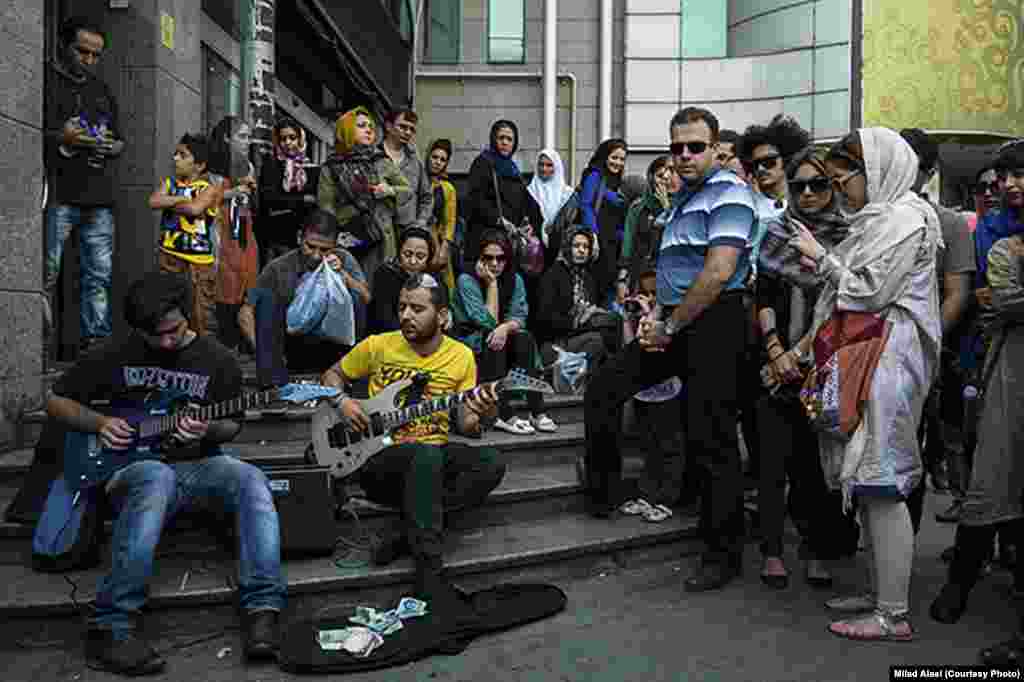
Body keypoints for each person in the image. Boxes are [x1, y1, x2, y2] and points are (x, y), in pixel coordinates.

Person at [45, 272, 285, 675]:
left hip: (199, 464)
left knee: (250, 479)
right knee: (157, 476)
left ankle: (263, 608)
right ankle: (111, 625)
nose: (167, 342)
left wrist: (208, 428)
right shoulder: (115, 351)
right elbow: (54, 401)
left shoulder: (218, 359)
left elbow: (233, 425)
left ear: (187, 315)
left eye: (173, 330)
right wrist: (99, 423)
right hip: (129, 468)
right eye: (155, 336)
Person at [583, 107, 756, 593]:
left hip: (717, 320)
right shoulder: (682, 200)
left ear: (714, 147)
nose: (684, 155)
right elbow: (676, 273)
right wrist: (656, 317)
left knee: (712, 436)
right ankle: (603, 495)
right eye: (676, 147)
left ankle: (722, 555)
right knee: (604, 387)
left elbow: (719, 271)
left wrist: (671, 325)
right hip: (676, 320)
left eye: (695, 146)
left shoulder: (730, 192)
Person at [787, 128, 942, 641]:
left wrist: (822, 256)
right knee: (868, 483)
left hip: (889, 363)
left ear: (875, 173)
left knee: (882, 482)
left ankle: (891, 615)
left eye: (842, 179)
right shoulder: (878, 220)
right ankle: (881, 594)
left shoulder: (903, 220)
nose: (840, 191)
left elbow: (870, 291)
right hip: (868, 359)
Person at [321, 273, 505, 619]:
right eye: (402, 307)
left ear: (443, 316)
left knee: (491, 462)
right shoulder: (378, 345)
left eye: (417, 308)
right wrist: (342, 402)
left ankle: (407, 534)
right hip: (379, 456)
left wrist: (487, 407)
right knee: (425, 455)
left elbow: (467, 425)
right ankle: (429, 574)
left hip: (430, 458)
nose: (406, 315)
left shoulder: (462, 356)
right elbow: (332, 375)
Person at [929, 143, 1024, 633]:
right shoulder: (993, 237)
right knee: (989, 471)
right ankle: (961, 580)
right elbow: (996, 297)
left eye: (1016, 176)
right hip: (996, 363)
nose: (1007, 187)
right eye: (1001, 178)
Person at [753, 147, 856, 590]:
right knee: (772, 461)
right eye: (800, 186)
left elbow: (848, 303)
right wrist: (777, 352)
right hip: (774, 364)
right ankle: (772, 551)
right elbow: (762, 297)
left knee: (816, 467)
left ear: (832, 187)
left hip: (826, 363)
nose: (809, 193)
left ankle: (816, 550)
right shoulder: (777, 234)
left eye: (819, 184)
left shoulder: (848, 238)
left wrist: (803, 354)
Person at [899, 128, 977, 526]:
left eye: (908, 164)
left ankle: (902, 546)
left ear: (927, 173)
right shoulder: (865, 219)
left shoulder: (948, 224)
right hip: (866, 353)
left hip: (921, 359)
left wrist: (918, 343)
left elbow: (957, 294)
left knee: (910, 449)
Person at [45, 16, 126, 356]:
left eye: (96, 55)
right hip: (58, 193)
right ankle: (37, 347)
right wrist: (62, 138)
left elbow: (121, 140)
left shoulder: (101, 89)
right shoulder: (45, 80)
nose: (90, 61)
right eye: (83, 52)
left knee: (99, 277)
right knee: (46, 273)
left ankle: (96, 347)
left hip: (99, 196)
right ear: (64, 46)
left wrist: (111, 146)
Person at [239, 209, 370, 375]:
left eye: (324, 250)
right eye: (310, 247)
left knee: (355, 298)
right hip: (293, 345)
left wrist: (344, 275)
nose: (316, 256)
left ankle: (352, 370)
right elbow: (245, 313)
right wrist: (265, 353)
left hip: (337, 346)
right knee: (268, 301)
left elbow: (366, 298)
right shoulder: (279, 267)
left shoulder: (343, 258)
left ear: (335, 245)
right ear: (299, 238)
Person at [451, 229, 556, 436]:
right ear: (479, 258)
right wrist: (491, 284)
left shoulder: (514, 278)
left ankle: (537, 411)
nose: (494, 264)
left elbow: (519, 316)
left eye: (501, 259)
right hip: (472, 347)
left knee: (523, 338)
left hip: (499, 344)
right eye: (488, 258)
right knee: (493, 339)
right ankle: (503, 413)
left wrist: (505, 327)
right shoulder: (466, 280)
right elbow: (485, 321)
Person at [319, 107, 410, 287]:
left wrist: (389, 190)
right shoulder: (331, 167)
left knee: (381, 288)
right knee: (351, 287)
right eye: (361, 126)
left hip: (381, 238)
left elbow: (407, 190)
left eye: (370, 126)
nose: (369, 129)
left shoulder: (380, 160)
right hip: (348, 236)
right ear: (346, 129)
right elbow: (325, 207)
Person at [149, 134, 224, 337]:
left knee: (201, 312)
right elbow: (154, 201)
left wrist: (171, 201)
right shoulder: (170, 182)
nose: (175, 158)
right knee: (168, 307)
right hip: (169, 255)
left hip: (199, 261)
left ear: (199, 165)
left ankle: (206, 354)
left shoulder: (209, 188)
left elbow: (194, 208)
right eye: (175, 154)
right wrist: (182, 200)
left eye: (182, 155)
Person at [536, 226, 622, 370]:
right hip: (556, 343)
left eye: (586, 247)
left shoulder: (588, 278)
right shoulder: (553, 276)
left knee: (615, 321)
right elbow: (544, 320)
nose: (582, 250)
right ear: (566, 247)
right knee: (596, 340)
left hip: (581, 336)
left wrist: (592, 314)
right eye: (576, 246)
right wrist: (578, 321)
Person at [208, 116, 260, 355]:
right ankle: (226, 341)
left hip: (244, 226)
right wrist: (232, 192)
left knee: (246, 279)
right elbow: (204, 199)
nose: (247, 141)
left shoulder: (248, 164)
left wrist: (250, 189)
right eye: (242, 136)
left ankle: (242, 341)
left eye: (249, 136)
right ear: (227, 138)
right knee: (224, 282)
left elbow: (251, 202)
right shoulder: (211, 164)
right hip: (221, 228)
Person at [464, 119, 543, 262]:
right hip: (486, 241)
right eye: (501, 138)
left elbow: (528, 204)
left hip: (509, 243)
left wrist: (531, 226)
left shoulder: (513, 169)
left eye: (509, 139)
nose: (505, 143)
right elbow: (475, 199)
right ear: (493, 139)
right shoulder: (483, 163)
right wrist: (498, 220)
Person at [259, 117, 319, 263]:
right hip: (277, 238)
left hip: (305, 239)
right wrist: (302, 200)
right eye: (283, 139)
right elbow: (269, 199)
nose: (288, 143)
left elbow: (318, 201)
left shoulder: (312, 169)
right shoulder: (272, 166)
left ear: (300, 139)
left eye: (292, 137)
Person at [579, 139, 629, 303]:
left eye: (622, 159)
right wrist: (593, 236)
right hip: (597, 243)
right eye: (614, 157)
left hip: (613, 246)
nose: (618, 163)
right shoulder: (595, 175)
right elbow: (586, 206)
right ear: (604, 156)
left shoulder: (620, 183)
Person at [621, 156, 679, 287]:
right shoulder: (639, 206)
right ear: (651, 178)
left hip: (670, 273)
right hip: (641, 273)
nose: (666, 180)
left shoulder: (682, 204)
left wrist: (666, 206)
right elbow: (628, 243)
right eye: (660, 176)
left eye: (670, 175)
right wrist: (622, 277)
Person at [368, 227, 435, 335]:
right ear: (399, 253)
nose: (413, 261)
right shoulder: (385, 274)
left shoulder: (432, 279)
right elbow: (384, 319)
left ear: (429, 259)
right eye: (407, 254)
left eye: (420, 256)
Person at [380, 109, 434, 232]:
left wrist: (421, 222)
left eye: (412, 129)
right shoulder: (373, 156)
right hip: (379, 231)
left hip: (407, 232)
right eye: (403, 127)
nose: (408, 132)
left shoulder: (415, 161)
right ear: (388, 126)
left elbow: (427, 196)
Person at [527, 148, 575, 266]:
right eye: (541, 164)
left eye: (549, 165)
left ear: (556, 167)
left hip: (560, 252)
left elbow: (571, 223)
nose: (544, 169)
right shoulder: (529, 191)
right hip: (534, 253)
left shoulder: (567, 194)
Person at [425, 139, 458, 290]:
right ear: (428, 157)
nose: (438, 162)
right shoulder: (419, 182)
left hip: (438, 242)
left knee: (443, 286)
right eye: (435, 157)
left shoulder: (448, 188)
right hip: (419, 240)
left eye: (442, 159)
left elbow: (450, 221)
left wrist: (445, 247)